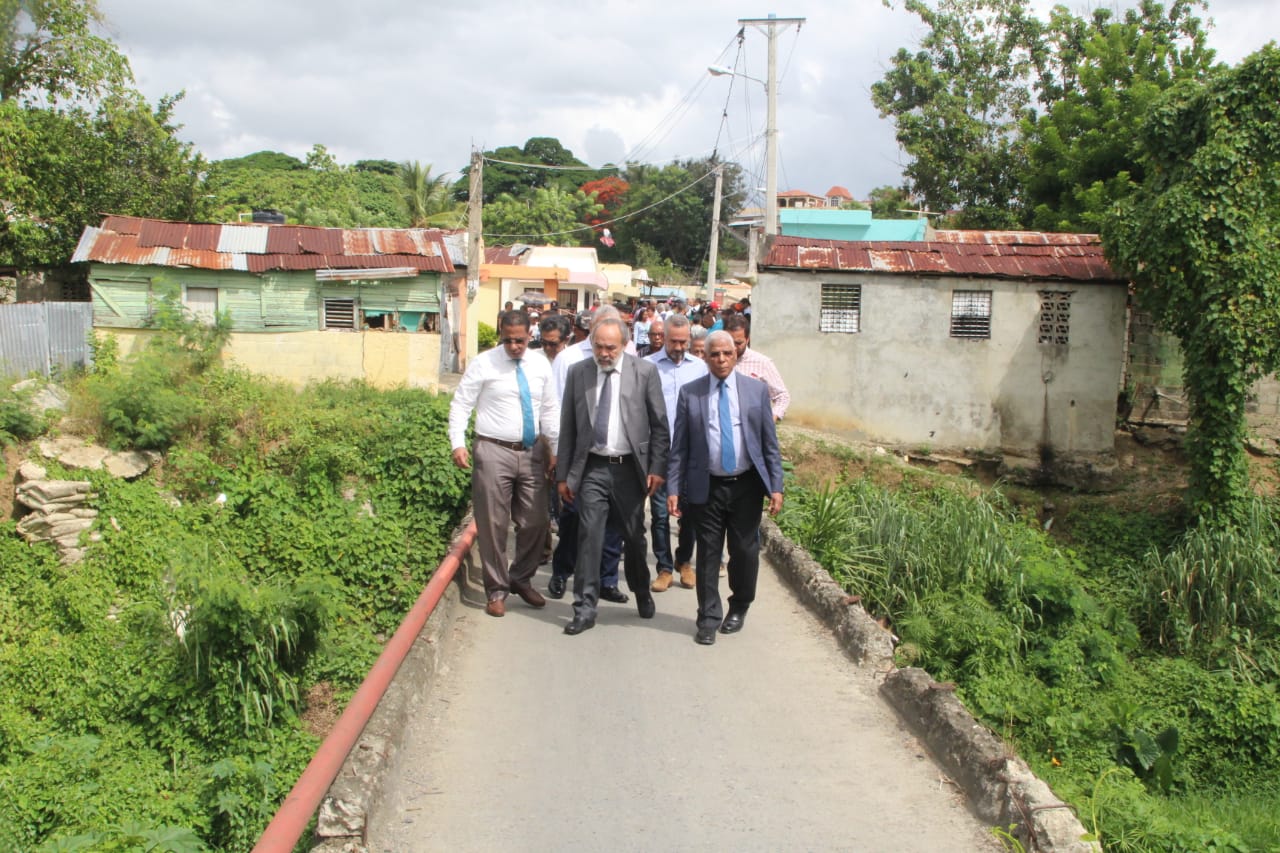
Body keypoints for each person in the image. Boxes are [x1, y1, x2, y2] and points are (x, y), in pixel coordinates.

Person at [667, 330, 784, 645]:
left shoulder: (755, 391)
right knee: (707, 553)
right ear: (704, 357)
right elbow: (680, 446)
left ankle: (739, 605)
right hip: (707, 486)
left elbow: (769, 443)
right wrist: (674, 487)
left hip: (746, 485)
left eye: (727, 354)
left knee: (745, 552)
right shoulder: (691, 393)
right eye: (714, 354)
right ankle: (707, 617)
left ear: (736, 355)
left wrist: (776, 485)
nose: (720, 360)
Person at [556, 317, 669, 635]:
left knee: (633, 538)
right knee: (588, 535)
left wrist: (657, 468)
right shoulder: (579, 373)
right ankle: (584, 608)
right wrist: (563, 475)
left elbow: (660, 425)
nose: (604, 354)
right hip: (592, 467)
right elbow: (568, 428)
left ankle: (641, 590)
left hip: (630, 470)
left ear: (624, 345)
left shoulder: (644, 372)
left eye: (611, 348)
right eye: (598, 347)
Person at [448, 310, 559, 617]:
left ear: (529, 334)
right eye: (508, 340)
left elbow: (549, 408)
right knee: (493, 524)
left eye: (520, 340)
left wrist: (555, 448)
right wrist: (458, 442)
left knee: (536, 521)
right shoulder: (484, 363)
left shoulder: (540, 364)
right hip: (493, 450)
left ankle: (520, 578)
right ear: (501, 334)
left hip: (532, 451)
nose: (514, 346)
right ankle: (496, 590)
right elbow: (462, 403)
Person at [646, 314, 707, 593]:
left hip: (690, 453)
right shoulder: (647, 367)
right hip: (658, 451)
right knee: (659, 513)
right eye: (674, 341)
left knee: (690, 512)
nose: (680, 347)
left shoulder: (701, 369)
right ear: (664, 337)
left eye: (684, 342)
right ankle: (664, 568)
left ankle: (684, 562)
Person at [722, 314, 790, 422]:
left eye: (738, 343)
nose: (733, 347)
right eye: (729, 342)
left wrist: (770, 420)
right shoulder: (714, 361)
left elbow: (782, 396)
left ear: (747, 339)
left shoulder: (762, 363)